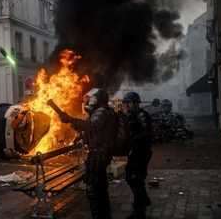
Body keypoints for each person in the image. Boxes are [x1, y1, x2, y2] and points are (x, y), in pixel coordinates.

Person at [54, 88, 115, 219]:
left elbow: (90, 126)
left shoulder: (101, 112)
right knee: (101, 187)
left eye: (93, 98)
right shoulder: (104, 111)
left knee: (93, 190)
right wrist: (73, 125)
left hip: (98, 155)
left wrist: (70, 119)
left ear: (99, 99)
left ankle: (99, 215)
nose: (90, 100)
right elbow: (90, 129)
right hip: (101, 153)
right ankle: (105, 214)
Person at [122, 92, 153, 219]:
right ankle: (143, 200)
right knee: (133, 177)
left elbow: (146, 132)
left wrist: (133, 139)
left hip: (141, 151)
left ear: (134, 103)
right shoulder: (132, 115)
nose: (126, 106)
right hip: (136, 151)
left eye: (127, 103)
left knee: (135, 178)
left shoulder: (141, 115)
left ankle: (139, 211)